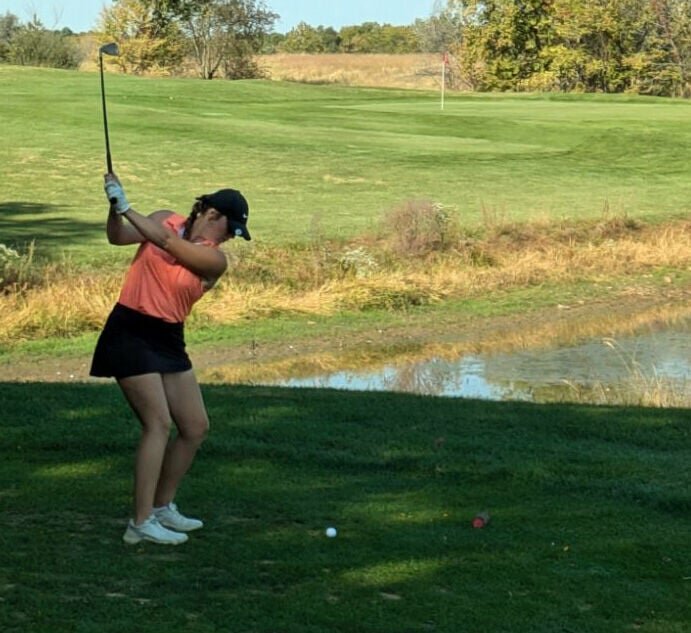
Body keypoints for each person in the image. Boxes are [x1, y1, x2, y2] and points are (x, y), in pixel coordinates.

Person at [91, 173, 250, 545]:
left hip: (167, 337)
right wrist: (116, 210)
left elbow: (164, 241)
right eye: (231, 227)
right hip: (129, 330)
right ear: (211, 213)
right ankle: (140, 522)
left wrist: (128, 206)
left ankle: (162, 507)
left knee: (195, 426)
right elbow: (118, 236)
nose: (230, 237)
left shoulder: (214, 259)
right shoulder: (164, 218)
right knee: (158, 424)